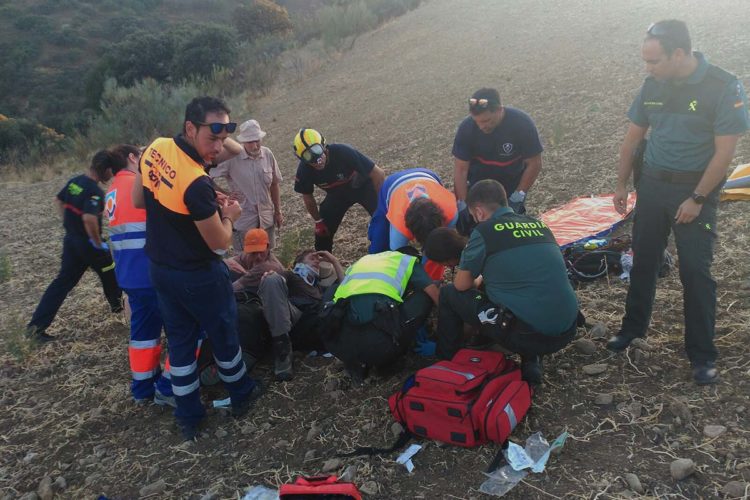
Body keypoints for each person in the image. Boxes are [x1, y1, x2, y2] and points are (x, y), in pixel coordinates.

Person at [608, 20, 749, 385]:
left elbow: (724, 153)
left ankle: (702, 355)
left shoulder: (721, 85)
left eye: (654, 61)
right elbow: (632, 138)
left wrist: (698, 198)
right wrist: (622, 183)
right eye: (645, 61)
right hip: (653, 185)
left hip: (694, 190)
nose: (648, 68)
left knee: (695, 272)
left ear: (680, 53)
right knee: (644, 258)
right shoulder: (653, 85)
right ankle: (632, 328)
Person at [133, 96, 262, 440]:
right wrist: (229, 216)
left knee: (179, 343)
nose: (218, 148)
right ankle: (242, 393)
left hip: (161, 269)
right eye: (212, 139)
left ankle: (189, 416)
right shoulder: (196, 183)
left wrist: (218, 130)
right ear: (190, 128)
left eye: (223, 139)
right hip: (199, 275)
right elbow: (219, 243)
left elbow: (137, 200)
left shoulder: (156, 148)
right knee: (224, 336)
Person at [426, 180, 579, 385]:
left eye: (473, 216)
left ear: (479, 212)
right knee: (515, 289)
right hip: (567, 328)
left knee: (448, 294)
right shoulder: (539, 224)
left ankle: (446, 359)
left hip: (528, 334)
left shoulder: (484, 232)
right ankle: (530, 359)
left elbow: (462, 286)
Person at [104, 145, 176, 407]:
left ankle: (143, 387)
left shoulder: (111, 191)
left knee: (143, 334)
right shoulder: (139, 184)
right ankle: (169, 385)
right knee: (184, 328)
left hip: (129, 276)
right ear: (133, 158)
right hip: (152, 272)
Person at [26, 150, 122, 343]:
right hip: (88, 244)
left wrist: (69, 224)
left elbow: (58, 200)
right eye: (111, 172)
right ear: (106, 169)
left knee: (61, 284)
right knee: (110, 271)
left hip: (71, 241)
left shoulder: (75, 182)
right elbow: (89, 218)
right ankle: (119, 308)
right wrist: (97, 242)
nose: (111, 176)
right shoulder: (94, 191)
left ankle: (35, 328)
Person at [323, 249, 439, 383]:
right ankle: (389, 362)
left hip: (339, 346)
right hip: (379, 348)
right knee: (430, 291)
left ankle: (358, 363)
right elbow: (435, 294)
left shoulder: (363, 262)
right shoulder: (407, 262)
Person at [452, 88, 543, 234]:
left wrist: (518, 196)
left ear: (500, 110)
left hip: (510, 185)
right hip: (478, 188)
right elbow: (461, 169)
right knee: (474, 231)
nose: (481, 126)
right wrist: (462, 204)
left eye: (486, 121)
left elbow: (534, 163)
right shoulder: (467, 128)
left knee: (510, 230)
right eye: (477, 122)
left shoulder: (521, 124)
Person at [252, 249, 344, 381]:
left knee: (336, 293)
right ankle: (282, 351)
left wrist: (334, 261)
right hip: (293, 317)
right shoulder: (291, 276)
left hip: (315, 323)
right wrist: (272, 277)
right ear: (299, 263)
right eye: (312, 258)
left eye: (318, 260)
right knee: (271, 279)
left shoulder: (320, 288)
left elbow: (346, 286)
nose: (317, 261)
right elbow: (276, 282)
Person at [293, 128, 385, 252]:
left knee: (384, 219)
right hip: (337, 195)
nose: (317, 161)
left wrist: (382, 204)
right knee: (322, 234)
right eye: (309, 157)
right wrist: (318, 221)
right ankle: (324, 264)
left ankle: (393, 249)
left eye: (317, 151)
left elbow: (378, 173)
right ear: (303, 160)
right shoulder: (304, 170)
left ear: (324, 146)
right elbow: (307, 195)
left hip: (362, 186)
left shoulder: (343, 152)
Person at [367, 167, 458, 280]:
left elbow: (441, 246)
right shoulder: (399, 227)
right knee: (379, 241)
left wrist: (428, 282)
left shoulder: (451, 213)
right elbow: (399, 256)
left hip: (428, 176)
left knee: (437, 251)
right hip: (392, 185)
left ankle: (432, 281)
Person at [209, 119, 283, 252]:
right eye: (250, 142)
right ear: (243, 142)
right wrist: (225, 194)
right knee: (245, 261)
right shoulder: (231, 158)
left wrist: (277, 212)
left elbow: (274, 184)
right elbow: (206, 176)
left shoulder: (267, 154)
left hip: (266, 219)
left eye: (257, 141)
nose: (255, 146)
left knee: (267, 256)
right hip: (243, 222)